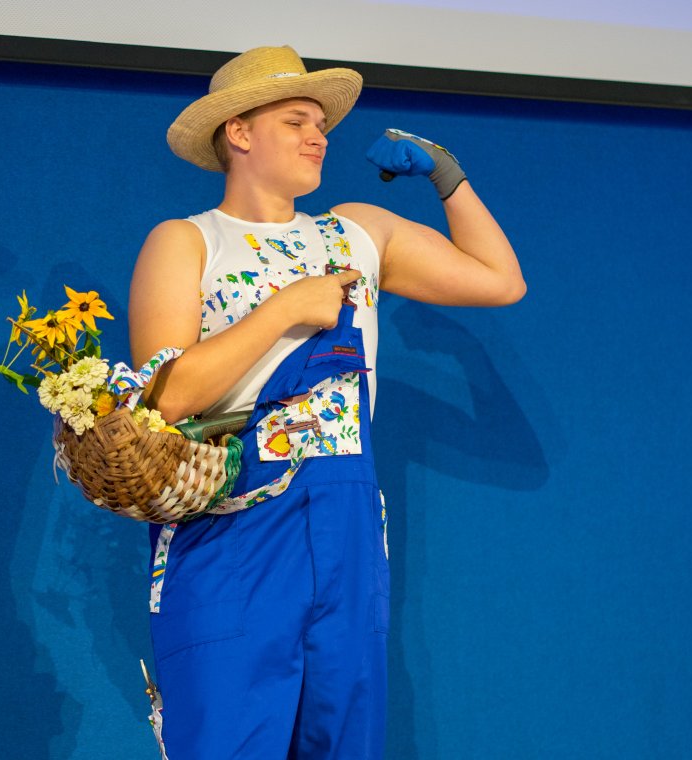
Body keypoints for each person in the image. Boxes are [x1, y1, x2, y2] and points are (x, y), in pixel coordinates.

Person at [128, 45, 524, 760]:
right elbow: (164, 398)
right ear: (239, 132)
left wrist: (447, 174)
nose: (319, 137)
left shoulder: (355, 232)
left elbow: (500, 280)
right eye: (296, 121)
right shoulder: (187, 241)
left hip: (345, 523)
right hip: (230, 523)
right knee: (224, 739)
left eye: (321, 125)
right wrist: (281, 311)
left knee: (343, 740)